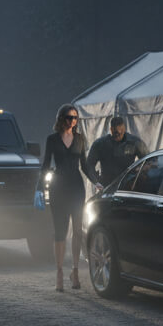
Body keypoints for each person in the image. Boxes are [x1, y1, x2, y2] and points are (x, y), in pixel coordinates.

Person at [38, 104, 101, 292]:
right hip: (58, 187)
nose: (72, 121)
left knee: (78, 230)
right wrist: (39, 189)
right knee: (60, 231)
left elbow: (85, 165)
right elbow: (45, 165)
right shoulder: (52, 140)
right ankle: (58, 272)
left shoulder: (80, 139)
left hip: (76, 187)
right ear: (60, 118)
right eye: (68, 117)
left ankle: (75, 271)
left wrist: (96, 182)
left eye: (75, 118)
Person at [87, 114, 149, 187]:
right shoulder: (100, 144)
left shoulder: (134, 142)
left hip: (128, 185)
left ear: (124, 129)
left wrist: (139, 171)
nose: (118, 134)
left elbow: (150, 161)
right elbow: (89, 164)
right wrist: (96, 182)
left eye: (121, 132)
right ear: (111, 129)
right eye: (115, 132)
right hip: (107, 186)